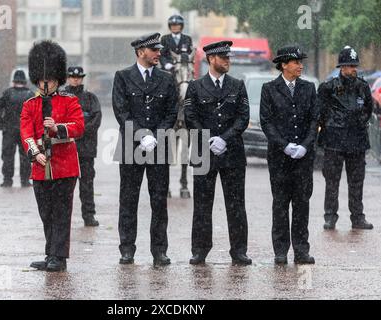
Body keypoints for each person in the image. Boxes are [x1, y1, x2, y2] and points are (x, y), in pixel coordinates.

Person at [112, 33, 177, 266]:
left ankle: (159, 250)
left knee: (159, 201)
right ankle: (127, 248)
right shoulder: (122, 77)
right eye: (154, 50)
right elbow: (121, 112)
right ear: (141, 52)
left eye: (159, 50)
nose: (159, 53)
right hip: (131, 145)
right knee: (128, 200)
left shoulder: (167, 79)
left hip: (159, 147)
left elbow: (172, 112)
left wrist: (156, 136)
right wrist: (142, 136)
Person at [184, 41, 252, 266]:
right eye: (223, 58)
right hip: (204, 151)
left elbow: (243, 117)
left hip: (232, 152)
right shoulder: (195, 86)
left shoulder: (237, 85)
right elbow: (190, 117)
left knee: (236, 205)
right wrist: (209, 138)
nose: (227, 61)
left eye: (228, 57)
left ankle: (239, 250)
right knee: (202, 205)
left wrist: (225, 138)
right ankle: (200, 250)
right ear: (211, 59)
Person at [20, 41, 85, 272]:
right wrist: (34, 153)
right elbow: (26, 130)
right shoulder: (30, 105)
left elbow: (78, 126)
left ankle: (59, 257)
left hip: (64, 165)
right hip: (40, 165)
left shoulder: (70, 101)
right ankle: (50, 253)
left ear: (58, 80)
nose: (45, 84)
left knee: (61, 213)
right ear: (37, 80)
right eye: (42, 80)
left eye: (50, 80)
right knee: (45, 213)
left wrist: (58, 127)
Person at [260, 45, 319, 265]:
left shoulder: (309, 88)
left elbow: (315, 119)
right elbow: (266, 122)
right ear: (284, 65)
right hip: (279, 158)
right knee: (281, 204)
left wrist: (305, 145)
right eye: (296, 62)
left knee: (302, 204)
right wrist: (284, 145)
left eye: (301, 62)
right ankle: (281, 250)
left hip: (304, 158)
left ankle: (302, 250)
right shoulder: (269, 89)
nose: (300, 66)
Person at [318, 46, 374, 230]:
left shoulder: (363, 87)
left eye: (354, 65)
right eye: (349, 66)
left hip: (357, 141)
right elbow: (321, 111)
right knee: (332, 182)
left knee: (356, 182)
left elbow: (368, 110)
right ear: (342, 67)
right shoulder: (328, 87)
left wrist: (357, 122)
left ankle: (357, 217)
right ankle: (330, 216)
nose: (353, 69)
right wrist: (334, 124)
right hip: (334, 141)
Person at [64, 66, 102, 227]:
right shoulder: (61, 97)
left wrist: (79, 131)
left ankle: (88, 215)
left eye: (78, 77)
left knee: (87, 184)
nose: (75, 79)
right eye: (72, 77)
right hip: (66, 149)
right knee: (65, 187)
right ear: (68, 78)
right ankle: (63, 217)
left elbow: (96, 119)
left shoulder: (90, 98)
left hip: (86, 150)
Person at [0, 69, 35, 188]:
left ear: (14, 81)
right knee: (26, 156)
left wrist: (1, 124)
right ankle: (25, 180)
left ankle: (7, 180)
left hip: (9, 130)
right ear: (25, 81)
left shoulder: (7, 93)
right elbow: (37, 114)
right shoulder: (30, 95)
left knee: (8, 156)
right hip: (25, 131)